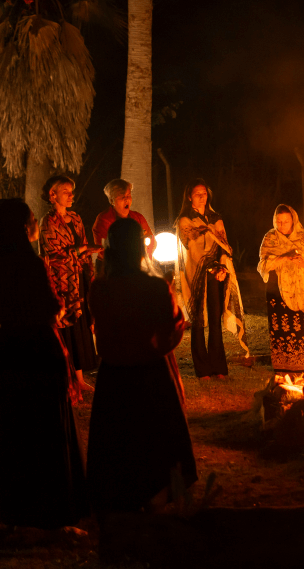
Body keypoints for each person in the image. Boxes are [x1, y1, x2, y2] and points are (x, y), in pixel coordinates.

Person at [0, 198, 88, 529]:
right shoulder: (29, 264)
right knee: (48, 430)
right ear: (21, 227)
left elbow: (1, 312)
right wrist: (58, 310)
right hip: (37, 350)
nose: (34, 225)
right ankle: (54, 510)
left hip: (11, 350)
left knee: (19, 435)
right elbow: (46, 308)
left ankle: (20, 510)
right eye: (30, 220)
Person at [87, 218, 196, 513]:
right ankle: (154, 495)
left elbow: (101, 330)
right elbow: (171, 331)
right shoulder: (154, 288)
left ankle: (119, 494)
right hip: (149, 375)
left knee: (120, 439)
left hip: (114, 378)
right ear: (139, 249)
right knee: (153, 438)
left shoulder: (100, 288)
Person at [175, 179, 249, 379]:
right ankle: (202, 369)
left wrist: (222, 266)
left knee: (215, 320)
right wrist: (210, 267)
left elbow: (223, 245)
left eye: (204, 193)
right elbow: (191, 251)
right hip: (196, 275)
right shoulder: (185, 220)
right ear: (189, 197)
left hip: (217, 274)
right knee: (199, 320)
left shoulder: (215, 219)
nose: (201, 197)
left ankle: (218, 366)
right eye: (197, 193)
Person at [39, 175, 100, 396]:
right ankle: (67, 376)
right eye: (66, 191)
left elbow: (82, 245)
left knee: (81, 325)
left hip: (79, 277)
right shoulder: (48, 223)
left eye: (71, 191)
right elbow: (55, 255)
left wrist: (88, 254)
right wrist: (81, 251)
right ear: (52, 195)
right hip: (63, 282)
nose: (71, 195)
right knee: (67, 326)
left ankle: (80, 378)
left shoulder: (75, 218)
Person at [258, 205, 304, 372]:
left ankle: (303, 363)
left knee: (301, 324)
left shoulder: (303, 235)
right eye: (279, 221)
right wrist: (284, 257)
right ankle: (283, 365)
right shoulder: (270, 238)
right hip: (277, 288)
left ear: (293, 220)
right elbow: (263, 264)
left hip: (300, 287)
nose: (282, 224)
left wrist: (303, 262)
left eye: (286, 221)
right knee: (282, 326)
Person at [92, 178, 156, 274]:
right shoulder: (104, 220)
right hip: (110, 271)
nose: (126, 199)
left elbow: (151, 242)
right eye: (121, 196)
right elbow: (104, 250)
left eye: (128, 195)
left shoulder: (138, 217)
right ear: (111, 200)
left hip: (138, 268)